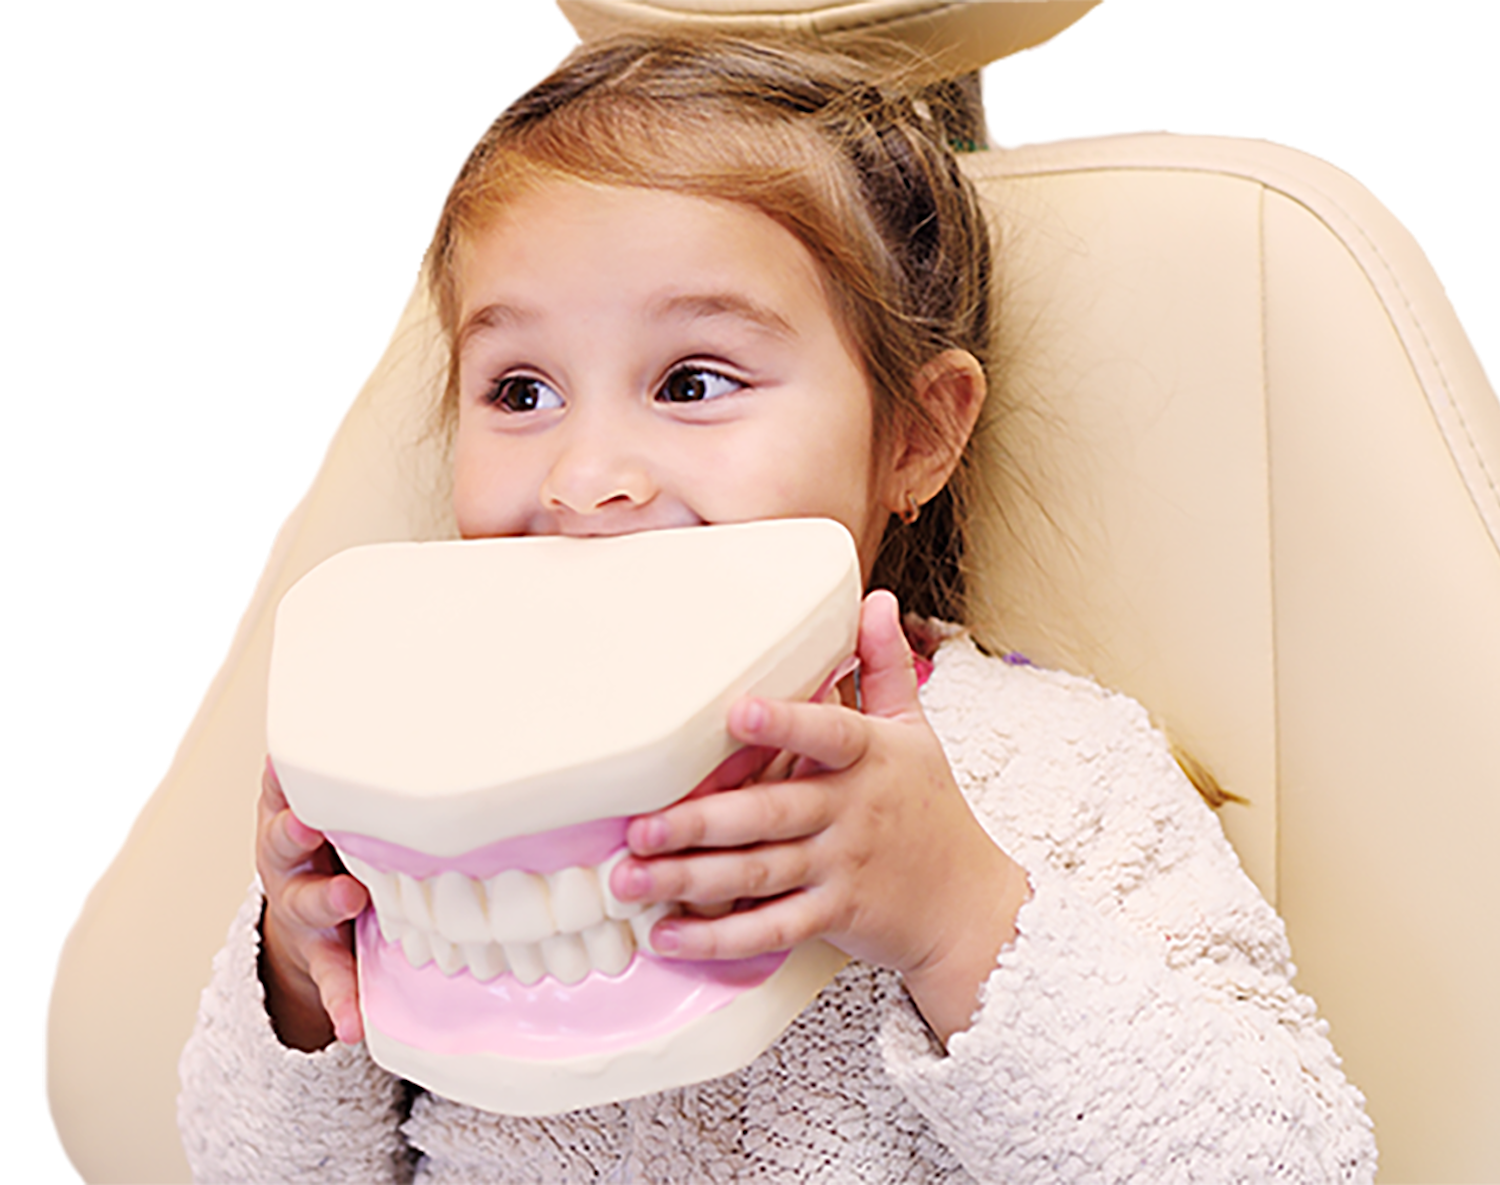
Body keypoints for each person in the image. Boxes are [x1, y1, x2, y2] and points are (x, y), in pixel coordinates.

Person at [178, 34, 1377, 1181]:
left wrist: (958, 918)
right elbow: (242, 1169)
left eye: (692, 382)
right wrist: (303, 977)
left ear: (916, 434)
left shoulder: (1057, 770)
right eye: (520, 388)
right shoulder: (412, 758)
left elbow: (1293, 1167)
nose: (585, 476)